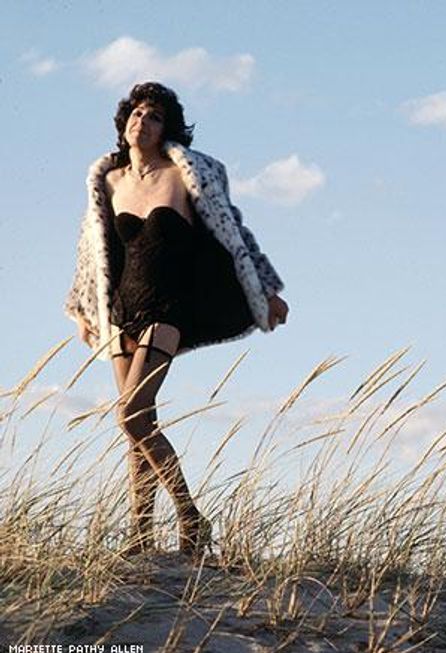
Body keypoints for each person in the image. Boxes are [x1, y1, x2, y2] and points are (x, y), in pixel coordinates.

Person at [64, 81, 289, 558]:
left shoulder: (187, 173)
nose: (141, 122)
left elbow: (232, 231)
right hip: (122, 307)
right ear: (124, 121)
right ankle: (141, 537)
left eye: (154, 116)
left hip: (169, 307)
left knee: (130, 414)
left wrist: (265, 287)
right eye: (136, 113)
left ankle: (190, 516)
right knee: (138, 425)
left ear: (169, 128)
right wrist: (81, 307)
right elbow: (92, 249)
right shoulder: (108, 180)